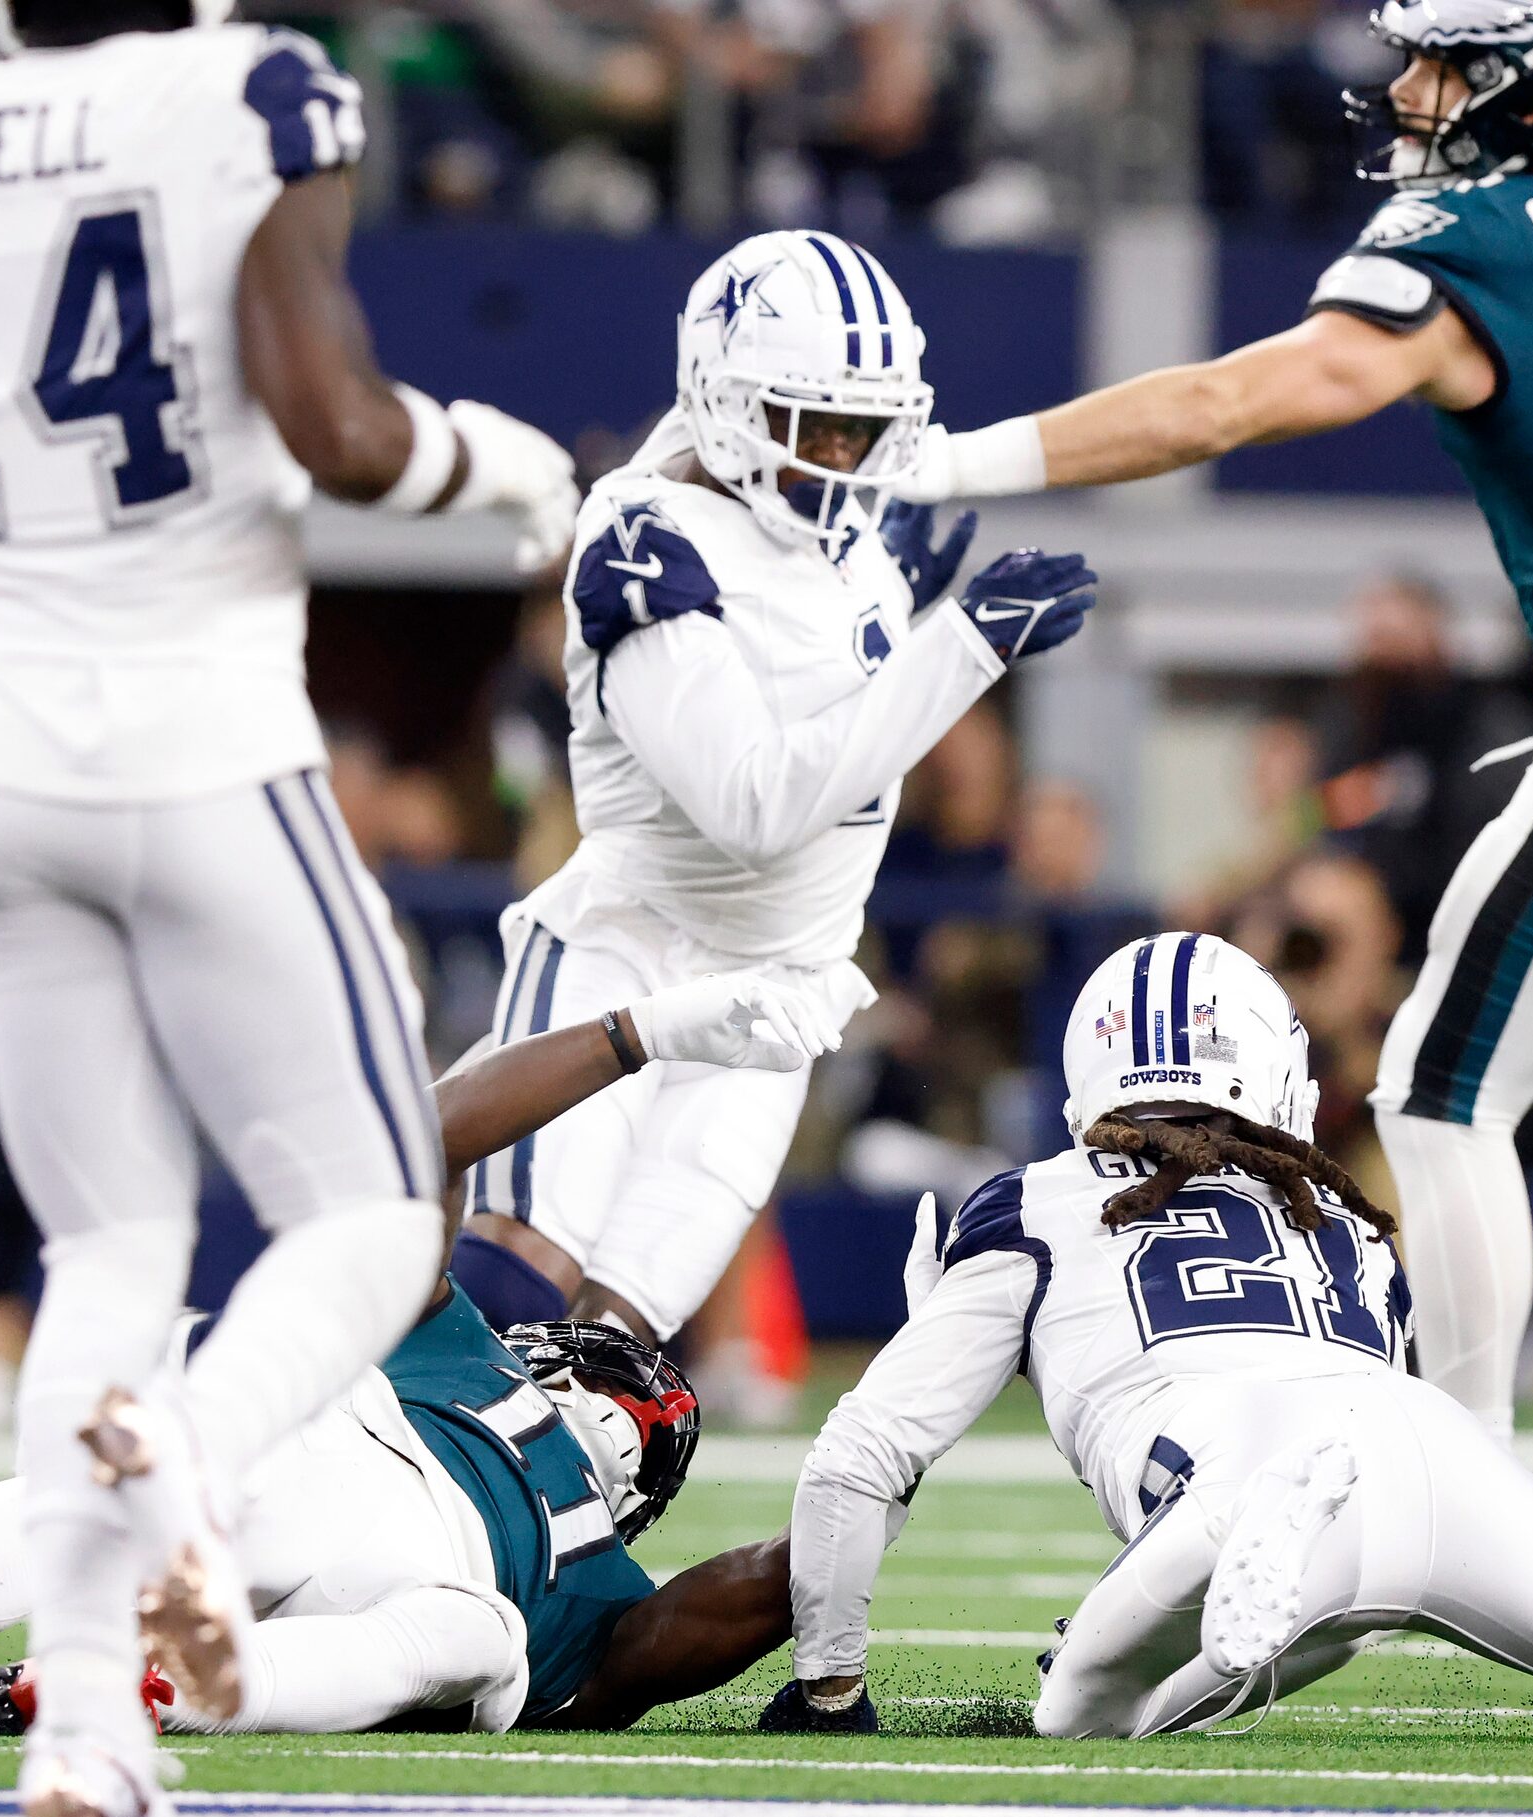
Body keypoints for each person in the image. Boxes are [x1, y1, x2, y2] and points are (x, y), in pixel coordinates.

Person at [0, 0, 582, 1817]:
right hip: (199, 743)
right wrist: (492, 460)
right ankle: (178, 1484)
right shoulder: (251, 89)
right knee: (366, 1213)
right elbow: (338, 432)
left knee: (105, 1253)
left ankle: (90, 1723)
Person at [895, 0, 1533, 1463]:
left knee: (1435, 1095)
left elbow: (1230, 401)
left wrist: (948, 459)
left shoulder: (1467, 250)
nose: (1412, 91)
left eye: (1449, 66)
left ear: (1532, 86)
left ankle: (1461, 1473)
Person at [767, 932, 1533, 1747]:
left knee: (1080, 1710)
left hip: (1239, 1456)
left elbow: (855, 1460)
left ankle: (1231, 1576)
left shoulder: (1035, 1201)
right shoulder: (1340, 1218)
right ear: (1273, 1065)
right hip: (1428, 1450)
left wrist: (828, 1687)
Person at [0, 972, 822, 1776]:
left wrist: (641, 1032)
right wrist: (865, 1505)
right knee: (474, 1633)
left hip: (321, 1496)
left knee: (191, 1507)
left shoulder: (599, 1581)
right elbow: (768, 1585)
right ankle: (146, 1676)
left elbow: (743, 1599)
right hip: (345, 1482)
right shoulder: (467, 1359)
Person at [450, 227, 1097, 1350]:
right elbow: (753, 806)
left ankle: (544, 1521)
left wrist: (908, 622)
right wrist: (962, 645)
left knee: (616, 1365)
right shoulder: (642, 535)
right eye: (819, 426)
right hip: (632, 949)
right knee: (515, 1287)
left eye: (866, 428)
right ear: (721, 399)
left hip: (782, 985)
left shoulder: (846, 526)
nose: (846, 459)